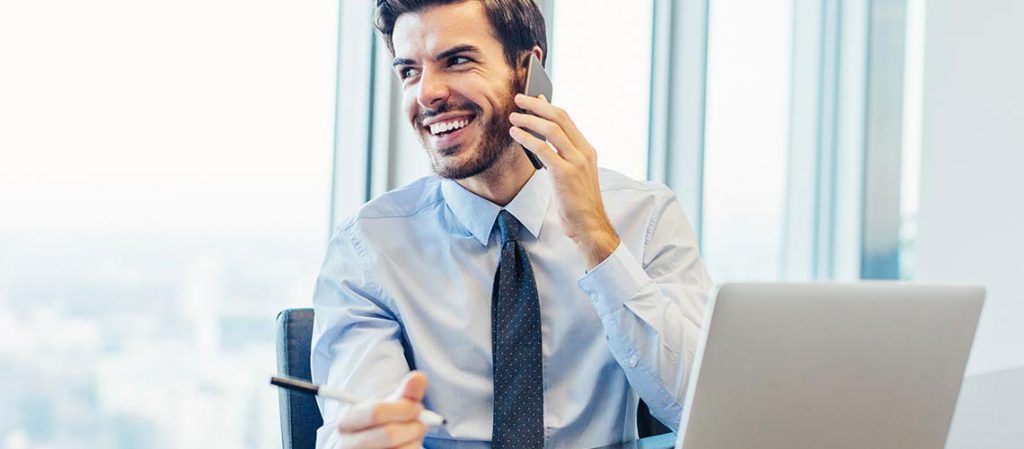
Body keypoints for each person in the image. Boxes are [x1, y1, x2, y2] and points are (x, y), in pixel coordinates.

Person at [310, 1, 711, 448]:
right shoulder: (368, 246)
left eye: (457, 61)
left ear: (528, 70)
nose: (427, 93)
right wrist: (370, 435)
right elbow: (363, 416)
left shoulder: (645, 216)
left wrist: (597, 239)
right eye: (409, 72)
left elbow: (701, 407)